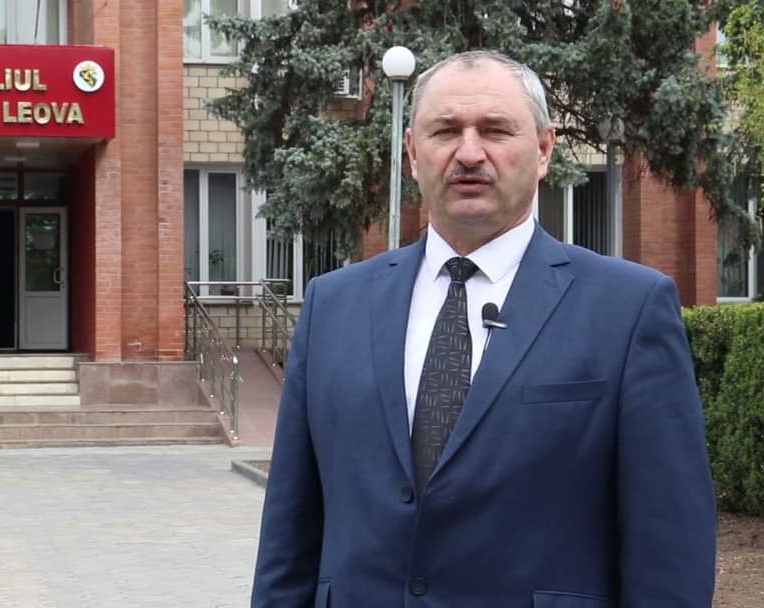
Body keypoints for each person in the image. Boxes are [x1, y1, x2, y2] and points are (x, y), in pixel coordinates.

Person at [251, 50, 716, 607]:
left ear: (544, 149)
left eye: (495, 130)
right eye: (445, 130)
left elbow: (669, 550)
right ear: (412, 153)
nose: (469, 153)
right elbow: (290, 532)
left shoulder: (629, 309)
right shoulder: (333, 306)